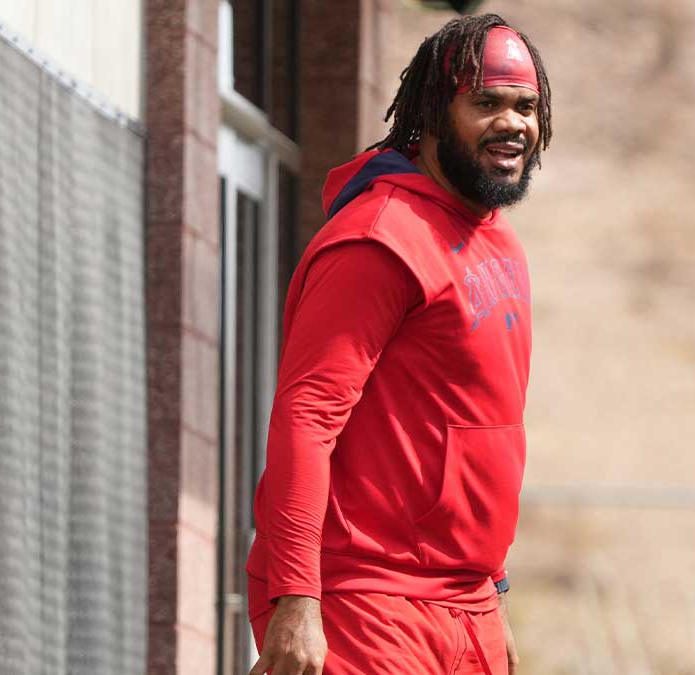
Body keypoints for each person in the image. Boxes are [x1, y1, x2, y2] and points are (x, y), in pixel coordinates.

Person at [245, 12, 552, 675]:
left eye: (526, 106)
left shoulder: (497, 241)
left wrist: (492, 596)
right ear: (436, 113)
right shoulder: (378, 238)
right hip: (365, 598)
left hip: (463, 602)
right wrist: (296, 596)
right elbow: (306, 419)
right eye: (488, 103)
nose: (514, 124)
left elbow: (482, 431)